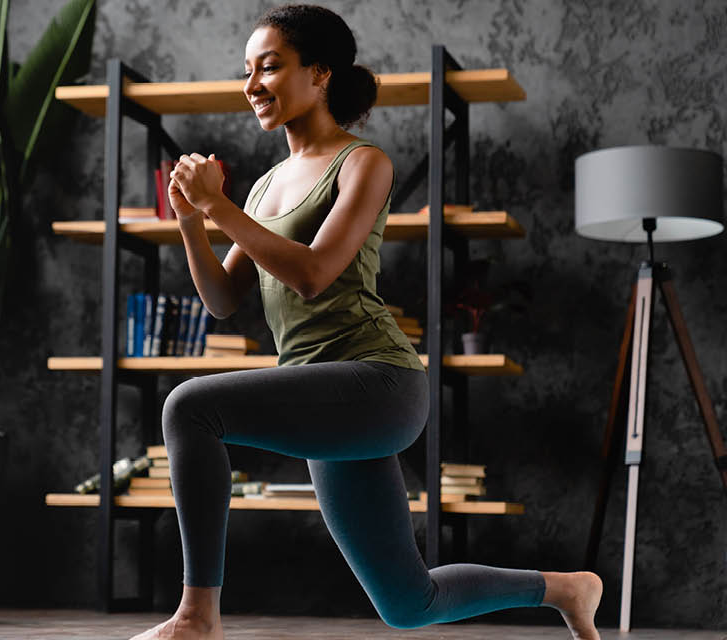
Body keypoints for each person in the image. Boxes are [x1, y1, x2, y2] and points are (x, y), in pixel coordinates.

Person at [129, 4, 603, 640]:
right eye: (247, 71)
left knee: (189, 407)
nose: (253, 85)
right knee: (410, 603)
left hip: (377, 383)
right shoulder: (267, 185)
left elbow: (313, 273)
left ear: (320, 74)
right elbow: (221, 298)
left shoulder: (362, 163)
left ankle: (197, 616)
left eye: (270, 67)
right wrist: (192, 221)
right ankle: (565, 589)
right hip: (320, 393)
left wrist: (217, 205)